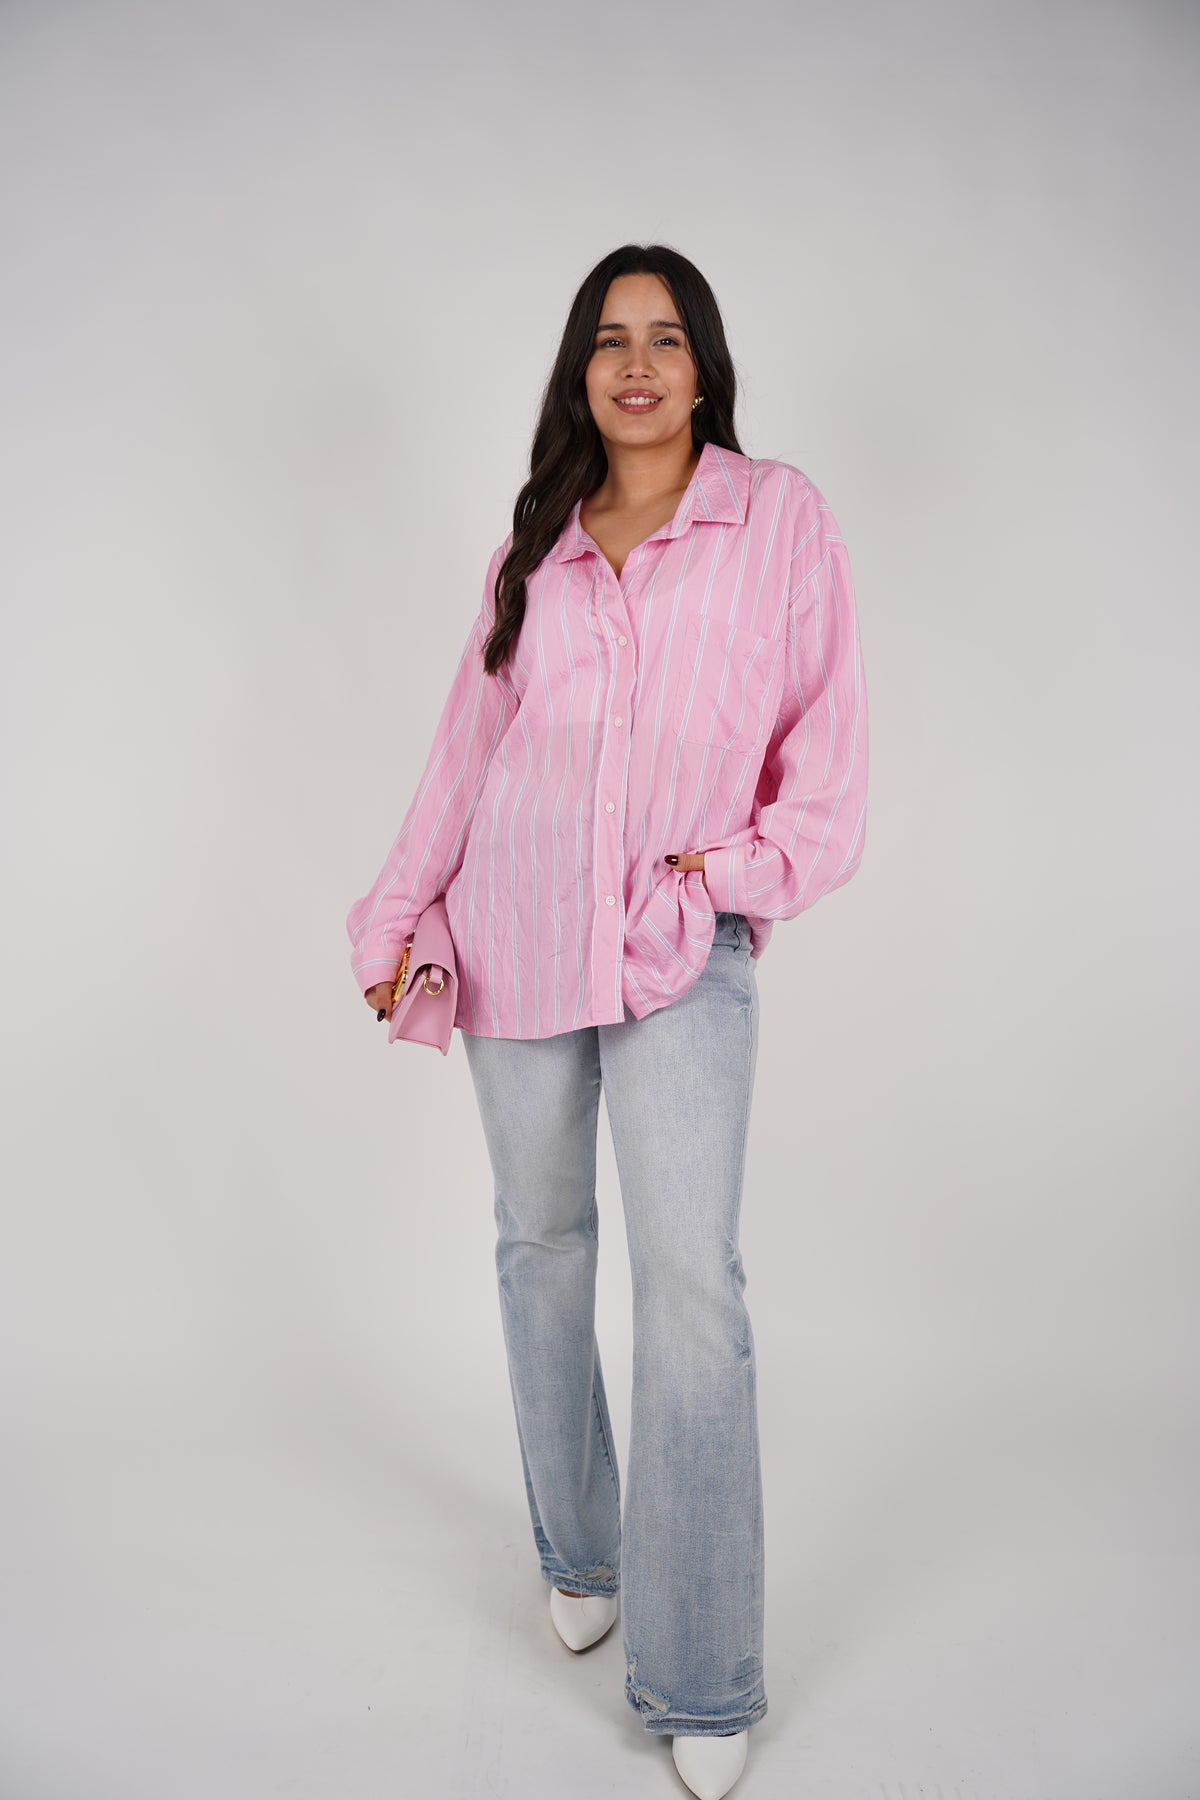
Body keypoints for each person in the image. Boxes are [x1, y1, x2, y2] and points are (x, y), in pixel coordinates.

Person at [347, 243, 869, 1800]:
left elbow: (827, 758)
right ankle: (579, 1550)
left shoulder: (777, 519)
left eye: (666, 338)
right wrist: (395, 920)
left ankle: (701, 1671)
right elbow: (466, 754)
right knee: (541, 1246)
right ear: (582, 372)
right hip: (510, 933)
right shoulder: (540, 550)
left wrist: (733, 874)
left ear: (704, 369)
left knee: (692, 1288)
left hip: (674, 943)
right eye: (609, 340)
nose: (637, 364)